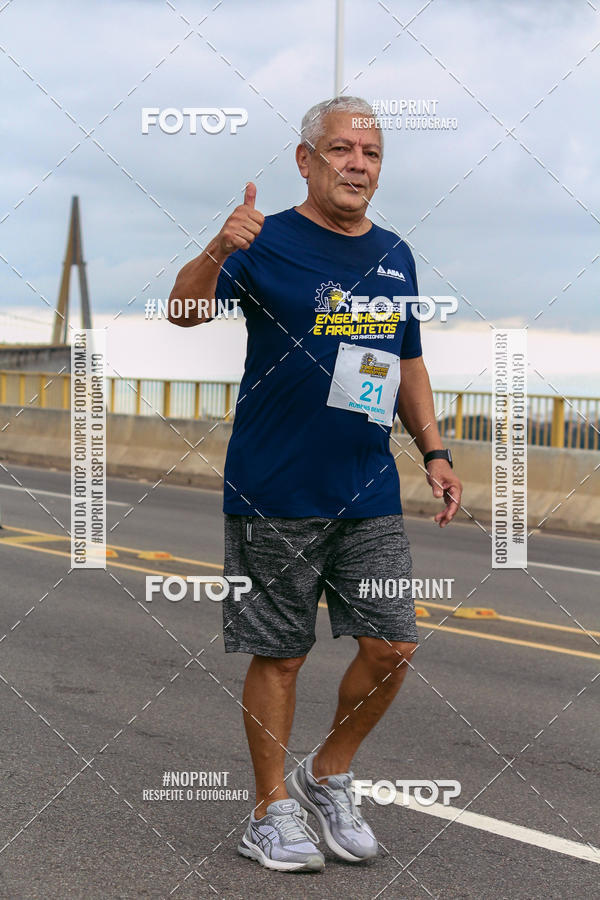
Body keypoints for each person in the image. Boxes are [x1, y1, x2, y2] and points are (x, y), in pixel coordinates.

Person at [168, 96, 463, 873]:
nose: (357, 165)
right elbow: (183, 311)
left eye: (370, 154)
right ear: (306, 161)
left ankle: (327, 773)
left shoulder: (395, 252)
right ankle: (269, 812)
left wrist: (434, 451)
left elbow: (406, 360)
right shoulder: (266, 240)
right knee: (282, 655)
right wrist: (217, 246)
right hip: (276, 484)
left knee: (393, 643)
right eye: (341, 150)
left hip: (365, 484)